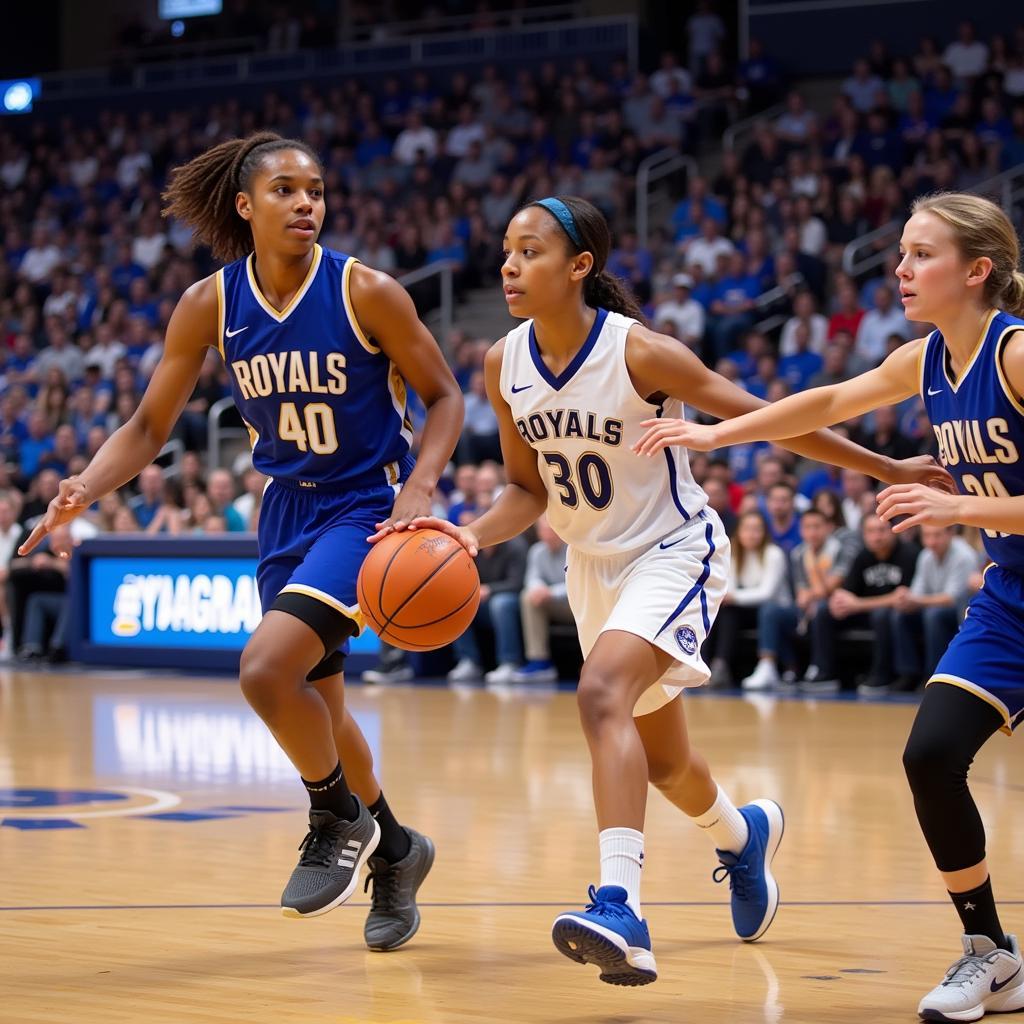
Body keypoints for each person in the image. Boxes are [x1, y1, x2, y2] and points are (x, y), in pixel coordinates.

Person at [397, 195, 949, 985]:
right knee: (666, 765)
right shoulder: (502, 363)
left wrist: (887, 468)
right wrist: (467, 535)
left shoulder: (641, 353)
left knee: (599, 694)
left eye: (530, 253)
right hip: (592, 567)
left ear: (580, 266)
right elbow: (527, 491)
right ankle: (742, 835)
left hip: (673, 551)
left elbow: (772, 419)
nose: (509, 267)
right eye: (507, 253)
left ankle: (619, 904)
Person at [19, 133, 464, 950]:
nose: (306, 204)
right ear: (245, 205)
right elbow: (151, 424)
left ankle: (334, 817)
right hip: (284, 515)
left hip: (364, 509)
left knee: (264, 671)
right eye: (287, 190)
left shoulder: (367, 291)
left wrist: (423, 486)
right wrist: (83, 485)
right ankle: (399, 850)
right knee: (320, 705)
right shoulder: (209, 304)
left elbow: (443, 397)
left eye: (317, 191)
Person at [634, 191, 1024, 1020]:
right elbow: (826, 403)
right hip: (1011, 600)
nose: (902, 268)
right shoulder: (924, 361)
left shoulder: (1017, 355)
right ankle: (991, 952)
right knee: (930, 756)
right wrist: (712, 435)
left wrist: (962, 511)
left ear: (978, 270)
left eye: (923, 254)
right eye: (903, 252)